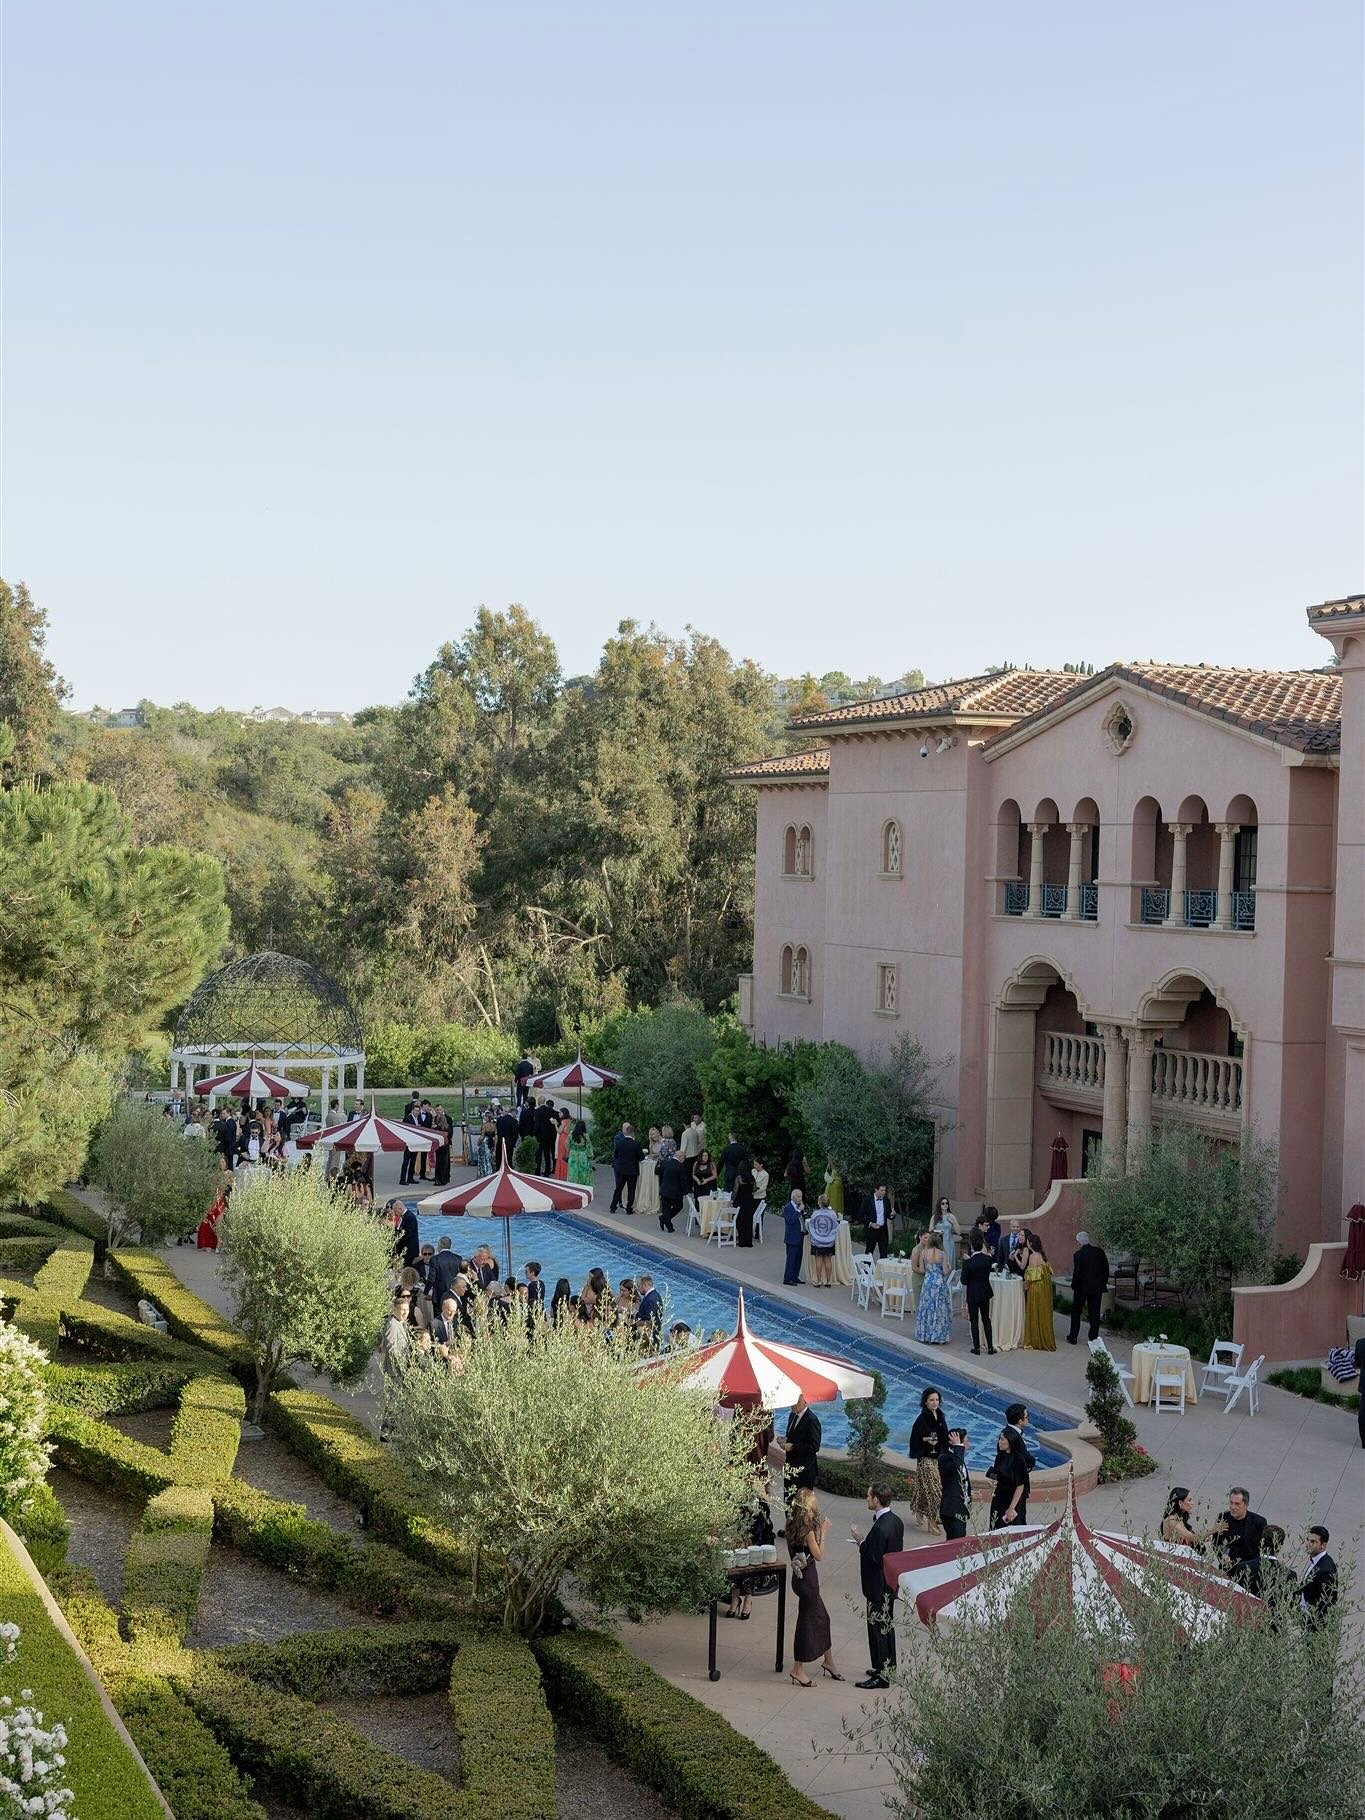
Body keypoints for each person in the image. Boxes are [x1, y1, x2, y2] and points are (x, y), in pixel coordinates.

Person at [786, 1489, 843, 1685]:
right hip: (808, 1580)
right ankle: (797, 1668)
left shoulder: (791, 1524)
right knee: (806, 1624)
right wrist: (824, 1533)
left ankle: (829, 1661)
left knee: (823, 1618)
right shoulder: (807, 1531)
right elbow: (818, 1555)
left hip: (798, 1579)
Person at [853, 1485, 905, 1689]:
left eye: (868, 1496)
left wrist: (860, 1541)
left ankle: (882, 1676)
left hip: (877, 1586)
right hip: (889, 1585)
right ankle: (887, 1667)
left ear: (876, 1500)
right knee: (886, 1627)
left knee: (878, 1630)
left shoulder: (882, 1526)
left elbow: (873, 1556)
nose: (866, 1499)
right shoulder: (895, 1521)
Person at [908, 1388, 952, 1531]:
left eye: (937, 1400)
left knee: (924, 1489)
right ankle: (931, 1522)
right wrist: (927, 1440)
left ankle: (923, 1510)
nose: (935, 1403)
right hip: (926, 1459)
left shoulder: (941, 1416)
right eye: (931, 1400)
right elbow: (915, 1439)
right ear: (925, 1402)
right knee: (935, 1491)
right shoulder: (922, 1419)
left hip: (938, 1458)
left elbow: (944, 1436)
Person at [1213, 1486, 1266, 1586]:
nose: (1233, 1507)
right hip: (1227, 1571)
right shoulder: (1223, 1517)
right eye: (1231, 1503)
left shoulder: (1259, 1522)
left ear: (1246, 1505)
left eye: (1237, 1504)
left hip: (1249, 1574)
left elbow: (1264, 1548)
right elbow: (1216, 1542)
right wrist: (1222, 1555)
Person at [378, 1291, 412, 1440]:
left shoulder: (400, 1323)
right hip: (395, 1370)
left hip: (399, 1370)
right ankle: (385, 1433)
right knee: (393, 1401)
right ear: (395, 1310)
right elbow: (391, 1349)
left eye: (407, 1310)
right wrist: (403, 1365)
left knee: (398, 1401)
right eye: (402, 1310)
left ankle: (393, 1430)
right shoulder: (393, 1325)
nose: (405, 1313)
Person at [1067, 1231, 1110, 1344]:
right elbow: (1106, 1270)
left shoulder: (1078, 1255)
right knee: (1094, 1313)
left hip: (1081, 1288)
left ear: (1079, 1242)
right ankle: (1093, 1338)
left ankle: (1073, 1337)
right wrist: (1102, 1284)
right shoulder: (1099, 1252)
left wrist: (1074, 1285)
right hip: (1096, 1288)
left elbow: (1077, 1273)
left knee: (1076, 1312)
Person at [781, 1394, 822, 1505]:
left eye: (796, 1402)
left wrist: (793, 1447)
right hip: (790, 1468)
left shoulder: (812, 1420)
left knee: (801, 1505)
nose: (793, 1405)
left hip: (804, 1471)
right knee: (788, 1501)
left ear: (805, 1401)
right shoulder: (792, 1416)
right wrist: (784, 1441)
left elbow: (814, 1446)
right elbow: (792, 1436)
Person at [986, 1429, 1031, 1528]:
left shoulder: (1018, 1460)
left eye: (1002, 1440)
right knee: (996, 1526)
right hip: (999, 1499)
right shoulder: (1000, 1457)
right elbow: (998, 1474)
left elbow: (1020, 1485)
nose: (999, 1442)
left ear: (1010, 1441)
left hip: (1013, 1500)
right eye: (999, 1439)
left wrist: (1011, 1507)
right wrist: (993, 1480)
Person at [913, 1231, 952, 1344]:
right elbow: (945, 1271)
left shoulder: (924, 1253)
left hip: (928, 1282)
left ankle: (925, 1334)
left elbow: (922, 1270)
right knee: (939, 1309)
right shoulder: (942, 1254)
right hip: (939, 1283)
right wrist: (948, 1267)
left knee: (926, 1308)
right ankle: (938, 1336)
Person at [960, 1238, 996, 1355]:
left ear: (971, 1248)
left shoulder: (968, 1263)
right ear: (982, 1247)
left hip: (973, 1293)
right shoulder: (988, 1259)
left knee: (974, 1320)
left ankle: (977, 1348)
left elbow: (964, 1281)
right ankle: (990, 1347)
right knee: (986, 1319)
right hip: (985, 1292)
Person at [1002, 1404, 1035, 1522]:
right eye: (1026, 1417)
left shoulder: (1008, 1432)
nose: (1028, 1419)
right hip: (1014, 1486)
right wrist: (1032, 1461)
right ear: (1020, 1421)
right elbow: (1025, 1458)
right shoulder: (1012, 1437)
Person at [1022, 1234, 1056, 1351]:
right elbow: (1050, 1271)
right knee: (1042, 1312)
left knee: (1034, 1312)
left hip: (1035, 1289)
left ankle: (1035, 1340)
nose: (1026, 1243)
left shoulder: (1033, 1256)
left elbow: (1031, 1275)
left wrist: (1025, 1285)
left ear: (1030, 1244)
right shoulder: (1042, 1255)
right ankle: (1044, 1338)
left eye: (1027, 1242)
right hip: (1044, 1289)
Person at [1300, 1526, 1337, 1628]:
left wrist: (1313, 1626)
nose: (1308, 1544)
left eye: (1313, 1542)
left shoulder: (1326, 1570)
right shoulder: (1316, 1560)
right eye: (1307, 1540)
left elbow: (1326, 1604)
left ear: (1323, 1545)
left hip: (1314, 1625)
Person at [938, 1428, 972, 1540]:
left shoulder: (956, 1457)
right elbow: (958, 1467)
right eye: (966, 1442)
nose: (969, 1445)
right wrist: (958, 1447)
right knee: (957, 1543)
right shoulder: (945, 1458)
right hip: (951, 1510)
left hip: (960, 1508)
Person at [805, 1197, 840, 1288]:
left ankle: (818, 1281)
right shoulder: (833, 1214)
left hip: (817, 1241)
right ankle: (828, 1281)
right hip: (829, 1241)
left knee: (818, 1261)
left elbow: (811, 1225)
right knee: (828, 1261)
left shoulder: (815, 1213)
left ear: (820, 1203)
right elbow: (836, 1226)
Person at [609, 1122, 644, 1214]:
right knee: (631, 1189)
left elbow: (616, 1155)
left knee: (618, 1188)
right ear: (633, 1133)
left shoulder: (619, 1143)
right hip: (632, 1170)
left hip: (621, 1169)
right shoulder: (636, 1144)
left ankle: (613, 1207)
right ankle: (629, 1209)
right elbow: (641, 1157)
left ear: (625, 1133)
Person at [656, 1148, 687, 1233]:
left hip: (664, 1189)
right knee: (678, 1206)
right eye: (684, 1158)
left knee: (666, 1208)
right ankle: (665, 1220)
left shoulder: (666, 1163)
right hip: (676, 1192)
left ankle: (667, 1223)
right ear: (680, 1157)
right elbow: (683, 1181)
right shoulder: (681, 1167)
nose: (684, 1160)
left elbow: (660, 1173)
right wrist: (686, 1192)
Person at [861, 1183, 894, 1259]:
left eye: (884, 1190)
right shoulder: (867, 1200)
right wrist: (870, 1224)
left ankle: (883, 1270)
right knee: (869, 1252)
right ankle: (866, 1270)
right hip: (871, 1230)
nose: (883, 1192)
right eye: (881, 1190)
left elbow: (889, 1215)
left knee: (884, 1253)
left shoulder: (886, 1201)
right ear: (876, 1190)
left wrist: (893, 1215)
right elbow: (860, 1216)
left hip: (883, 1230)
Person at [196, 1178, 231, 1250]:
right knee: (207, 1224)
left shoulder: (224, 1188)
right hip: (213, 1206)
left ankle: (218, 1244)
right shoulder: (212, 1189)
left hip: (220, 1206)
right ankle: (207, 1245)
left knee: (217, 1226)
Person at [782, 1189, 806, 1286]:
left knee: (798, 1257)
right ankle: (787, 1278)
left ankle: (795, 1276)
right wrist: (798, 1210)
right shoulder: (788, 1207)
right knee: (791, 1258)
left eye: (801, 1196)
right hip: (792, 1237)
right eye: (799, 1196)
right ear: (793, 1197)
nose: (800, 1199)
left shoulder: (799, 1207)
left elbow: (801, 1219)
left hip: (800, 1235)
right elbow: (790, 1220)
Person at [635, 1130, 661, 1218]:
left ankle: (658, 1202)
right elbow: (651, 1154)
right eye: (651, 1135)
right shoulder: (652, 1144)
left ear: (658, 1133)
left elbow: (662, 1154)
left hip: (660, 1165)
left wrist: (654, 1155)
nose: (653, 1136)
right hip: (652, 1163)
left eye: (653, 1134)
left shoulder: (663, 1142)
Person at [732, 1157, 758, 1247]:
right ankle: (748, 1241)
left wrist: (732, 1200)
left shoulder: (739, 1178)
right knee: (748, 1221)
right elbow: (754, 1189)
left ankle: (742, 1241)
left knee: (740, 1221)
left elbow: (735, 1191)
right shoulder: (752, 1178)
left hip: (740, 1200)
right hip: (749, 1200)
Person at [634, 1273, 663, 1341]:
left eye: (639, 1286)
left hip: (649, 1335)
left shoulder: (651, 1299)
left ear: (644, 1285)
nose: (638, 1289)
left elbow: (649, 1317)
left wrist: (636, 1314)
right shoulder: (654, 1295)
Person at [934, 1196, 961, 1269]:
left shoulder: (951, 1216)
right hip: (938, 1242)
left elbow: (958, 1232)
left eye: (947, 1203)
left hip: (948, 1243)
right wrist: (937, 1232)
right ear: (939, 1205)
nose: (945, 1205)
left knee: (948, 1263)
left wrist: (952, 1222)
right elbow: (930, 1230)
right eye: (943, 1203)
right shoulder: (935, 1217)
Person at [534, 1098, 558, 1177]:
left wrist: (535, 1133)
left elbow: (537, 1125)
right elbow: (556, 1121)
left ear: (538, 1102)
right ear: (544, 1102)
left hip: (540, 1136)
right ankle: (548, 1170)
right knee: (549, 1154)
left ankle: (538, 1171)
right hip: (551, 1136)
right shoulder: (552, 1111)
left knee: (541, 1154)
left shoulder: (537, 1111)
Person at [567, 1118, 594, 1187]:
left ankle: (572, 1185)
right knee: (582, 1171)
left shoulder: (571, 1133)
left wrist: (569, 1151)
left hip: (573, 1154)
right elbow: (588, 1147)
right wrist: (590, 1156)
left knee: (572, 1170)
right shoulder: (586, 1135)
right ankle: (582, 1186)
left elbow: (567, 1144)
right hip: (582, 1155)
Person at [690, 1148, 718, 1212]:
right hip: (698, 1186)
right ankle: (698, 1220)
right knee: (698, 1204)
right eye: (704, 1156)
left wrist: (707, 1180)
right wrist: (697, 1180)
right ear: (700, 1156)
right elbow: (693, 1174)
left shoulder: (711, 1164)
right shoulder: (696, 1164)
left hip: (708, 1187)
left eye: (706, 1155)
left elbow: (715, 1175)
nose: (705, 1157)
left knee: (707, 1204)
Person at [431, 1105, 452, 1187]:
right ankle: (445, 1178)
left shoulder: (436, 1129)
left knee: (439, 1163)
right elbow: (450, 1136)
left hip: (439, 1147)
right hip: (445, 1146)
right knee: (445, 1163)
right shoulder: (448, 1128)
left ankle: (438, 1179)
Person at [554, 1109, 570, 1180]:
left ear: (563, 1113)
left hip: (562, 1139)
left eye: (560, 1113)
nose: (559, 1114)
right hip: (567, 1138)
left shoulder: (563, 1121)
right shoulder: (569, 1120)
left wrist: (555, 1124)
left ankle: (561, 1175)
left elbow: (559, 1131)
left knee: (561, 1157)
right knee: (565, 1156)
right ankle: (565, 1173)